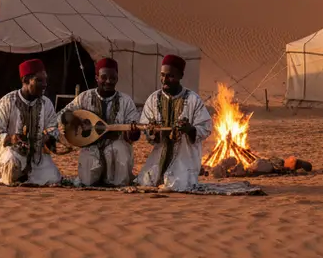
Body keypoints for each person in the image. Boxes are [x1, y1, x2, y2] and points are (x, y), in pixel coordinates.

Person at [136, 55, 212, 191]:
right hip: (159, 154)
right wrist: (152, 131)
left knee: (176, 185)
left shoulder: (193, 99)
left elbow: (206, 127)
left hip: (184, 156)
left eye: (170, 76)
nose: (165, 80)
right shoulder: (153, 99)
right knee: (146, 182)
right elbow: (145, 126)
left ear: (180, 76)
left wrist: (190, 130)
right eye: (162, 75)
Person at [62, 57, 139, 187]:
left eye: (113, 78)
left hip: (116, 145)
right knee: (87, 181)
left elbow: (135, 132)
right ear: (97, 77)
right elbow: (63, 115)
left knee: (120, 157)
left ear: (117, 78)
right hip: (91, 146)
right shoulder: (84, 97)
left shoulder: (126, 101)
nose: (108, 81)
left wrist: (132, 133)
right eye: (104, 77)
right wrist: (73, 119)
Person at [0, 58, 62, 186]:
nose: (44, 85)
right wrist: (11, 138)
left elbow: (53, 127)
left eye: (45, 80)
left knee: (53, 179)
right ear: (25, 81)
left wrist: (48, 137)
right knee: (11, 170)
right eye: (39, 81)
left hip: (37, 156)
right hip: (12, 151)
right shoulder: (8, 101)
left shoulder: (46, 103)